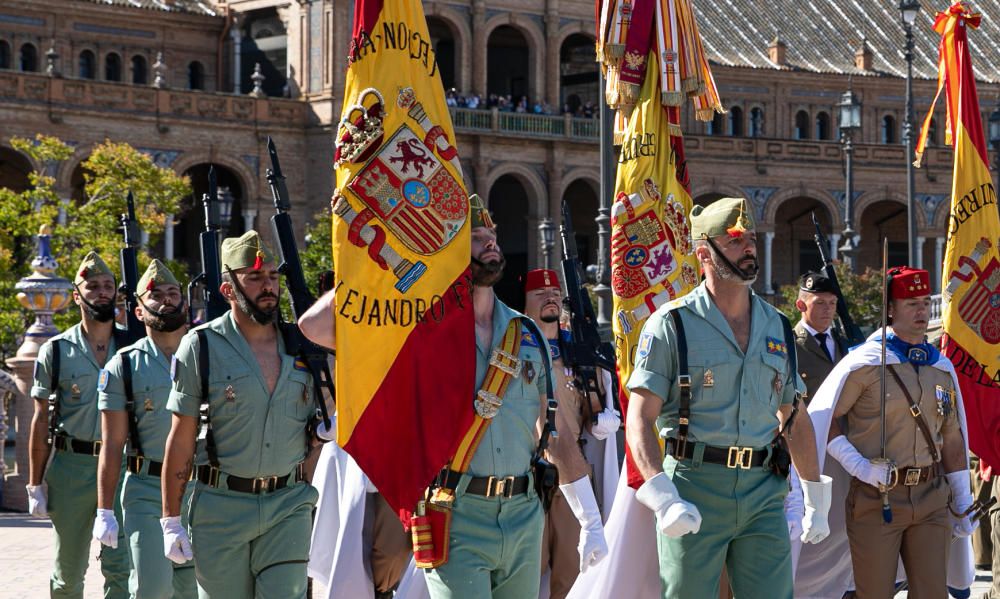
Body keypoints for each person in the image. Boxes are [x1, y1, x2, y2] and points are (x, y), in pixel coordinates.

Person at [625, 196, 832, 599]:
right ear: (705, 251)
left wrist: (814, 495)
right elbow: (639, 418)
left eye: (751, 239)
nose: (750, 248)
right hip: (694, 481)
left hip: (763, 489)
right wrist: (662, 494)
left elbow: (794, 415)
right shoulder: (671, 325)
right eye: (735, 240)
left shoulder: (776, 325)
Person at [795, 265, 976, 598]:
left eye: (924, 302)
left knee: (932, 593)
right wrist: (858, 465)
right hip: (877, 498)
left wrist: (963, 499)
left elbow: (951, 436)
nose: (922, 311)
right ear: (890, 310)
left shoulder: (939, 366)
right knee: (875, 593)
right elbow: (825, 419)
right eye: (911, 304)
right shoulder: (865, 364)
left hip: (931, 496)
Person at [160, 230, 320, 599]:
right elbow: (181, 438)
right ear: (228, 289)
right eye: (255, 278)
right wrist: (170, 519)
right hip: (221, 508)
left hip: (288, 505)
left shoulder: (304, 344)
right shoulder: (199, 346)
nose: (268, 287)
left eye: (273, 278)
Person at [27, 251, 130, 599]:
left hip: (125, 468)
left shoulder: (133, 347)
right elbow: (41, 421)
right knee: (68, 574)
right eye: (93, 286)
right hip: (73, 467)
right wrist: (34, 484)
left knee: (122, 572)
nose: (102, 292)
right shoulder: (56, 351)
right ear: (77, 295)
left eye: (108, 286)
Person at [93, 259, 196, 599]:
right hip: (146, 491)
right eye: (155, 295)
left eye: (173, 293)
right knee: (153, 589)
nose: (167, 300)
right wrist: (105, 510)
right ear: (138, 312)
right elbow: (111, 444)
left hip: (204, 490)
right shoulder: (123, 365)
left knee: (199, 591)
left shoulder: (208, 354)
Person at [522, 268, 616, 599]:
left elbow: (589, 407)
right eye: (539, 293)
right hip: (526, 479)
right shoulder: (515, 344)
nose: (550, 297)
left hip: (571, 480)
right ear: (525, 302)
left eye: (554, 293)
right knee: (523, 578)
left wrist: (606, 413)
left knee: (572, 578)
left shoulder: (576, 350)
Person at [793, 271, 846, 404]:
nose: (828, 309)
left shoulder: (843, 341)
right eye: (820, 303)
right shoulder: (789, 344)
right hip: (807, 423)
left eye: (832, 303)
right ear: (801, 305)